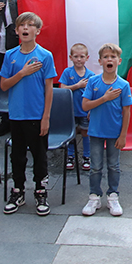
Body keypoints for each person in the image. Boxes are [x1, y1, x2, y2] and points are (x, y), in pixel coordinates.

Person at [0, 12, 56, 216]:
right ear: (16, 31)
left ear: (37, 30)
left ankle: (40, 190)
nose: (25, 28)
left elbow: (49, 88)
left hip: (36, 114)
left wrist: (46, 117)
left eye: (30, 25)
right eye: (22, 25)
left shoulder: (45, 56)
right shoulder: (10, 56)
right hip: (16, 115)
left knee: (39, 155)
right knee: (18, 155)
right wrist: (22, 73)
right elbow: (4, 85)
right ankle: (18, 190)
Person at [81, 42, 132, 217]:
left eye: (112, 57)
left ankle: (113, 195)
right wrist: (104, 98)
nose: (109, 59)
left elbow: (126, 111)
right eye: (105, 57)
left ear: (119, 61)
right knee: (95, 166)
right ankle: (94, 196)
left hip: (114, 133)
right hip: (95, 132)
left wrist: (123, 135)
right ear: (100, 61)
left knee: (114, 165)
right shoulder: (93, 82)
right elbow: (85, 105)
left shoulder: (123, 85)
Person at [59, 43, 94, 172]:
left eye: (82, 56)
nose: (79, 59)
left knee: (85, 133)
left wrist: (91, 109)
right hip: (70, 110)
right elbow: (62, 88)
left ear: (87, 58)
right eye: (76, 56)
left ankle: (87, 156)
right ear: (71, 57)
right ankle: (70, 156)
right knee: (71, 134)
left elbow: (93, 94)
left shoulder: (90, 75)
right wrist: (76, 86)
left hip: (84, 111)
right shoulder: (67, 73)